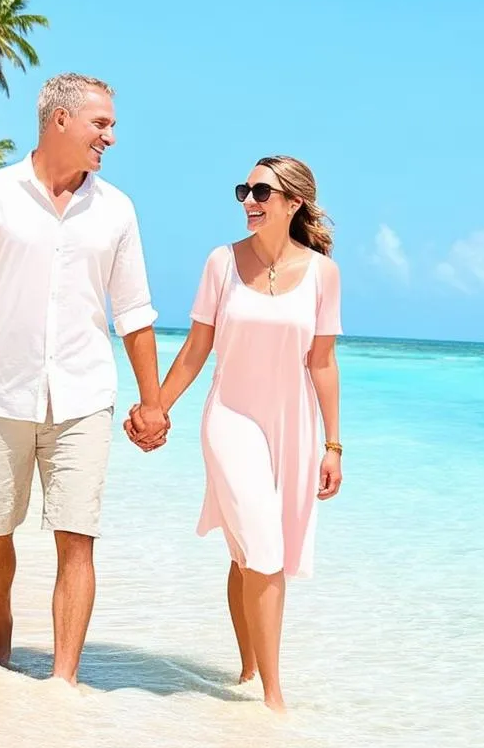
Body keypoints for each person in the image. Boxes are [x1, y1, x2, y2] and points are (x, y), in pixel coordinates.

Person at [0, 72, 169, 685]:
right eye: (100, 123)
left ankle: (64, 679)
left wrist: (153, 402)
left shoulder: (117, 211)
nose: (111, 136)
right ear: (60, 121)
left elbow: (133, 312)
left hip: (84, 395)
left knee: (77, 536)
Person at [126, 155, 342, 712]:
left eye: (263, 192)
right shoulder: (222, 263)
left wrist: (333, 445)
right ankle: (273, 700)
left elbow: (321, 362)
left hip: (292, 425)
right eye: (244, 190)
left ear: (293, 203)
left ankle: (248, 668)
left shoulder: (323, 274)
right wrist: (156, 409)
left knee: (251, 552)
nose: (249, 200)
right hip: (230, 419)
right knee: (263, 548)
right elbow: (198, 349)